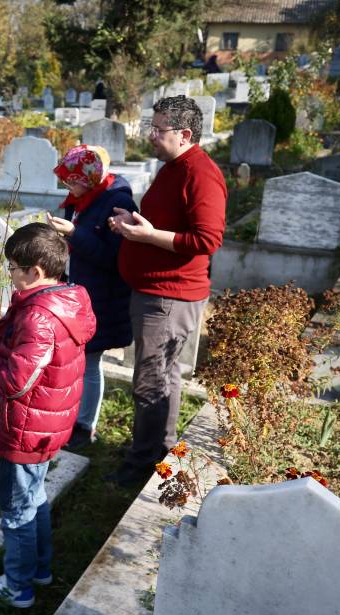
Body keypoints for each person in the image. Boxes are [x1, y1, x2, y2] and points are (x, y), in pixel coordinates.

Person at [0, 223, 95, 608]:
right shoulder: (63, 301)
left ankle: (17, 587)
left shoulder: (38, 315)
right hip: (45, 422)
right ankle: (39, 568)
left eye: (14, 267)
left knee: (17, 509)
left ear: (35, 272)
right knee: (34, 497)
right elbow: (35, 360)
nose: (10, 274)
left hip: (25, 427)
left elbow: (17, 382)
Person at [106, 95, 227, 490]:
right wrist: (133, 222)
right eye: (151, 128)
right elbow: (166, 221)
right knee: (162, 378)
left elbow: (207, 239)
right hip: (155, 292)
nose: (151, 136)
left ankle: (141, 467)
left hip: (169, 298)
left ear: (186, 133)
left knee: (151, 381)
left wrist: (148, 235)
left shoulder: (200, 173)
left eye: (159, 130)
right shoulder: (173, 167)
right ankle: (161, 452)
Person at [46, 145, 137, 448]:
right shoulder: (82, 198)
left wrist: (74, 232)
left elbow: (113, 259)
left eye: (71, 180)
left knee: (90, 361)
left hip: (100, 297)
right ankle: (72, 416)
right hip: (77, 291)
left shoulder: (117, 201)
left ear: (90, 176)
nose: (66, 186)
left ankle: (85, 426)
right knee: (75, 361)